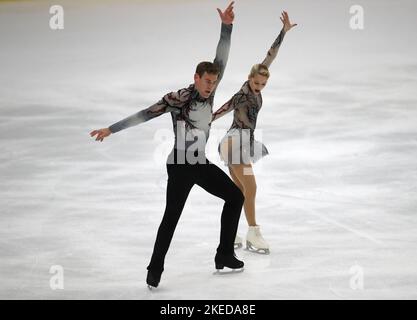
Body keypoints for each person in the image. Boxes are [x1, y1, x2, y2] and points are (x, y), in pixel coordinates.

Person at [90, 2, 245, 289]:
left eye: (214, 82)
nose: (211, 86)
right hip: (180, 166)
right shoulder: (178, 98)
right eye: (207, 81)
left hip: (201, 163)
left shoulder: (209, 91)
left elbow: (221, 57)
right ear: (196, 77)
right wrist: (110, 129)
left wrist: (227, 26)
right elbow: (145, 114)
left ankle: (224, 254)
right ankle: (154, 268)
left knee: (236, 197)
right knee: (171, 217)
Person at [211, 11, 297, 254]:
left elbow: (269, 57)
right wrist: (205, 121)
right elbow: (225, 107)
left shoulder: (257, 81)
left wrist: (283, 33)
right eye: (256, 82)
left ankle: (231, 232)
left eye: (263, 84)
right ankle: (253, 233)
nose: (259, 86)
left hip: (243, 142)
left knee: (238, 192)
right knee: (252, 187)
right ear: (249, 78)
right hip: (234, 143)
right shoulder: (243, 94)